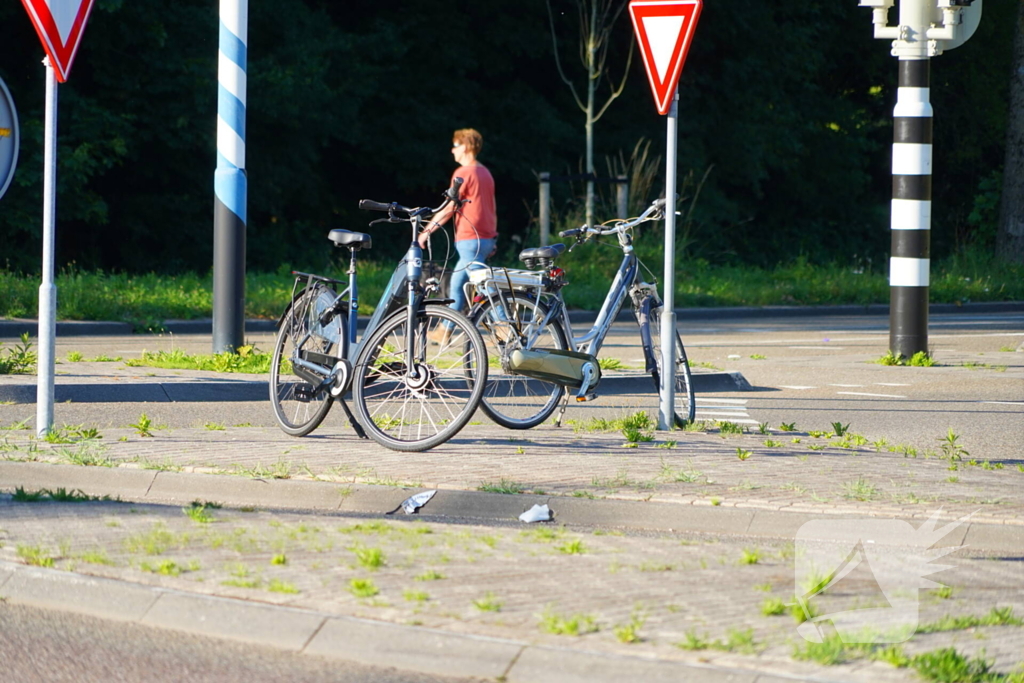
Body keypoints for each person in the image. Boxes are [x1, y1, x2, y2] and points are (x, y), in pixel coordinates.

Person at [418, 128, 497, 343]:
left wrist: (426, 232)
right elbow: (490, 207)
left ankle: (503, 326)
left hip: (470, 238)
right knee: (457, 282)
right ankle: (445, 329)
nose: (452, 150)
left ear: (466, 146)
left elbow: (450, 207)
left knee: (482, 285)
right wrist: (492, 237)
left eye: (455, 145)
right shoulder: (485, 173)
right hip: (484, 238)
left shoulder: (464, 173)